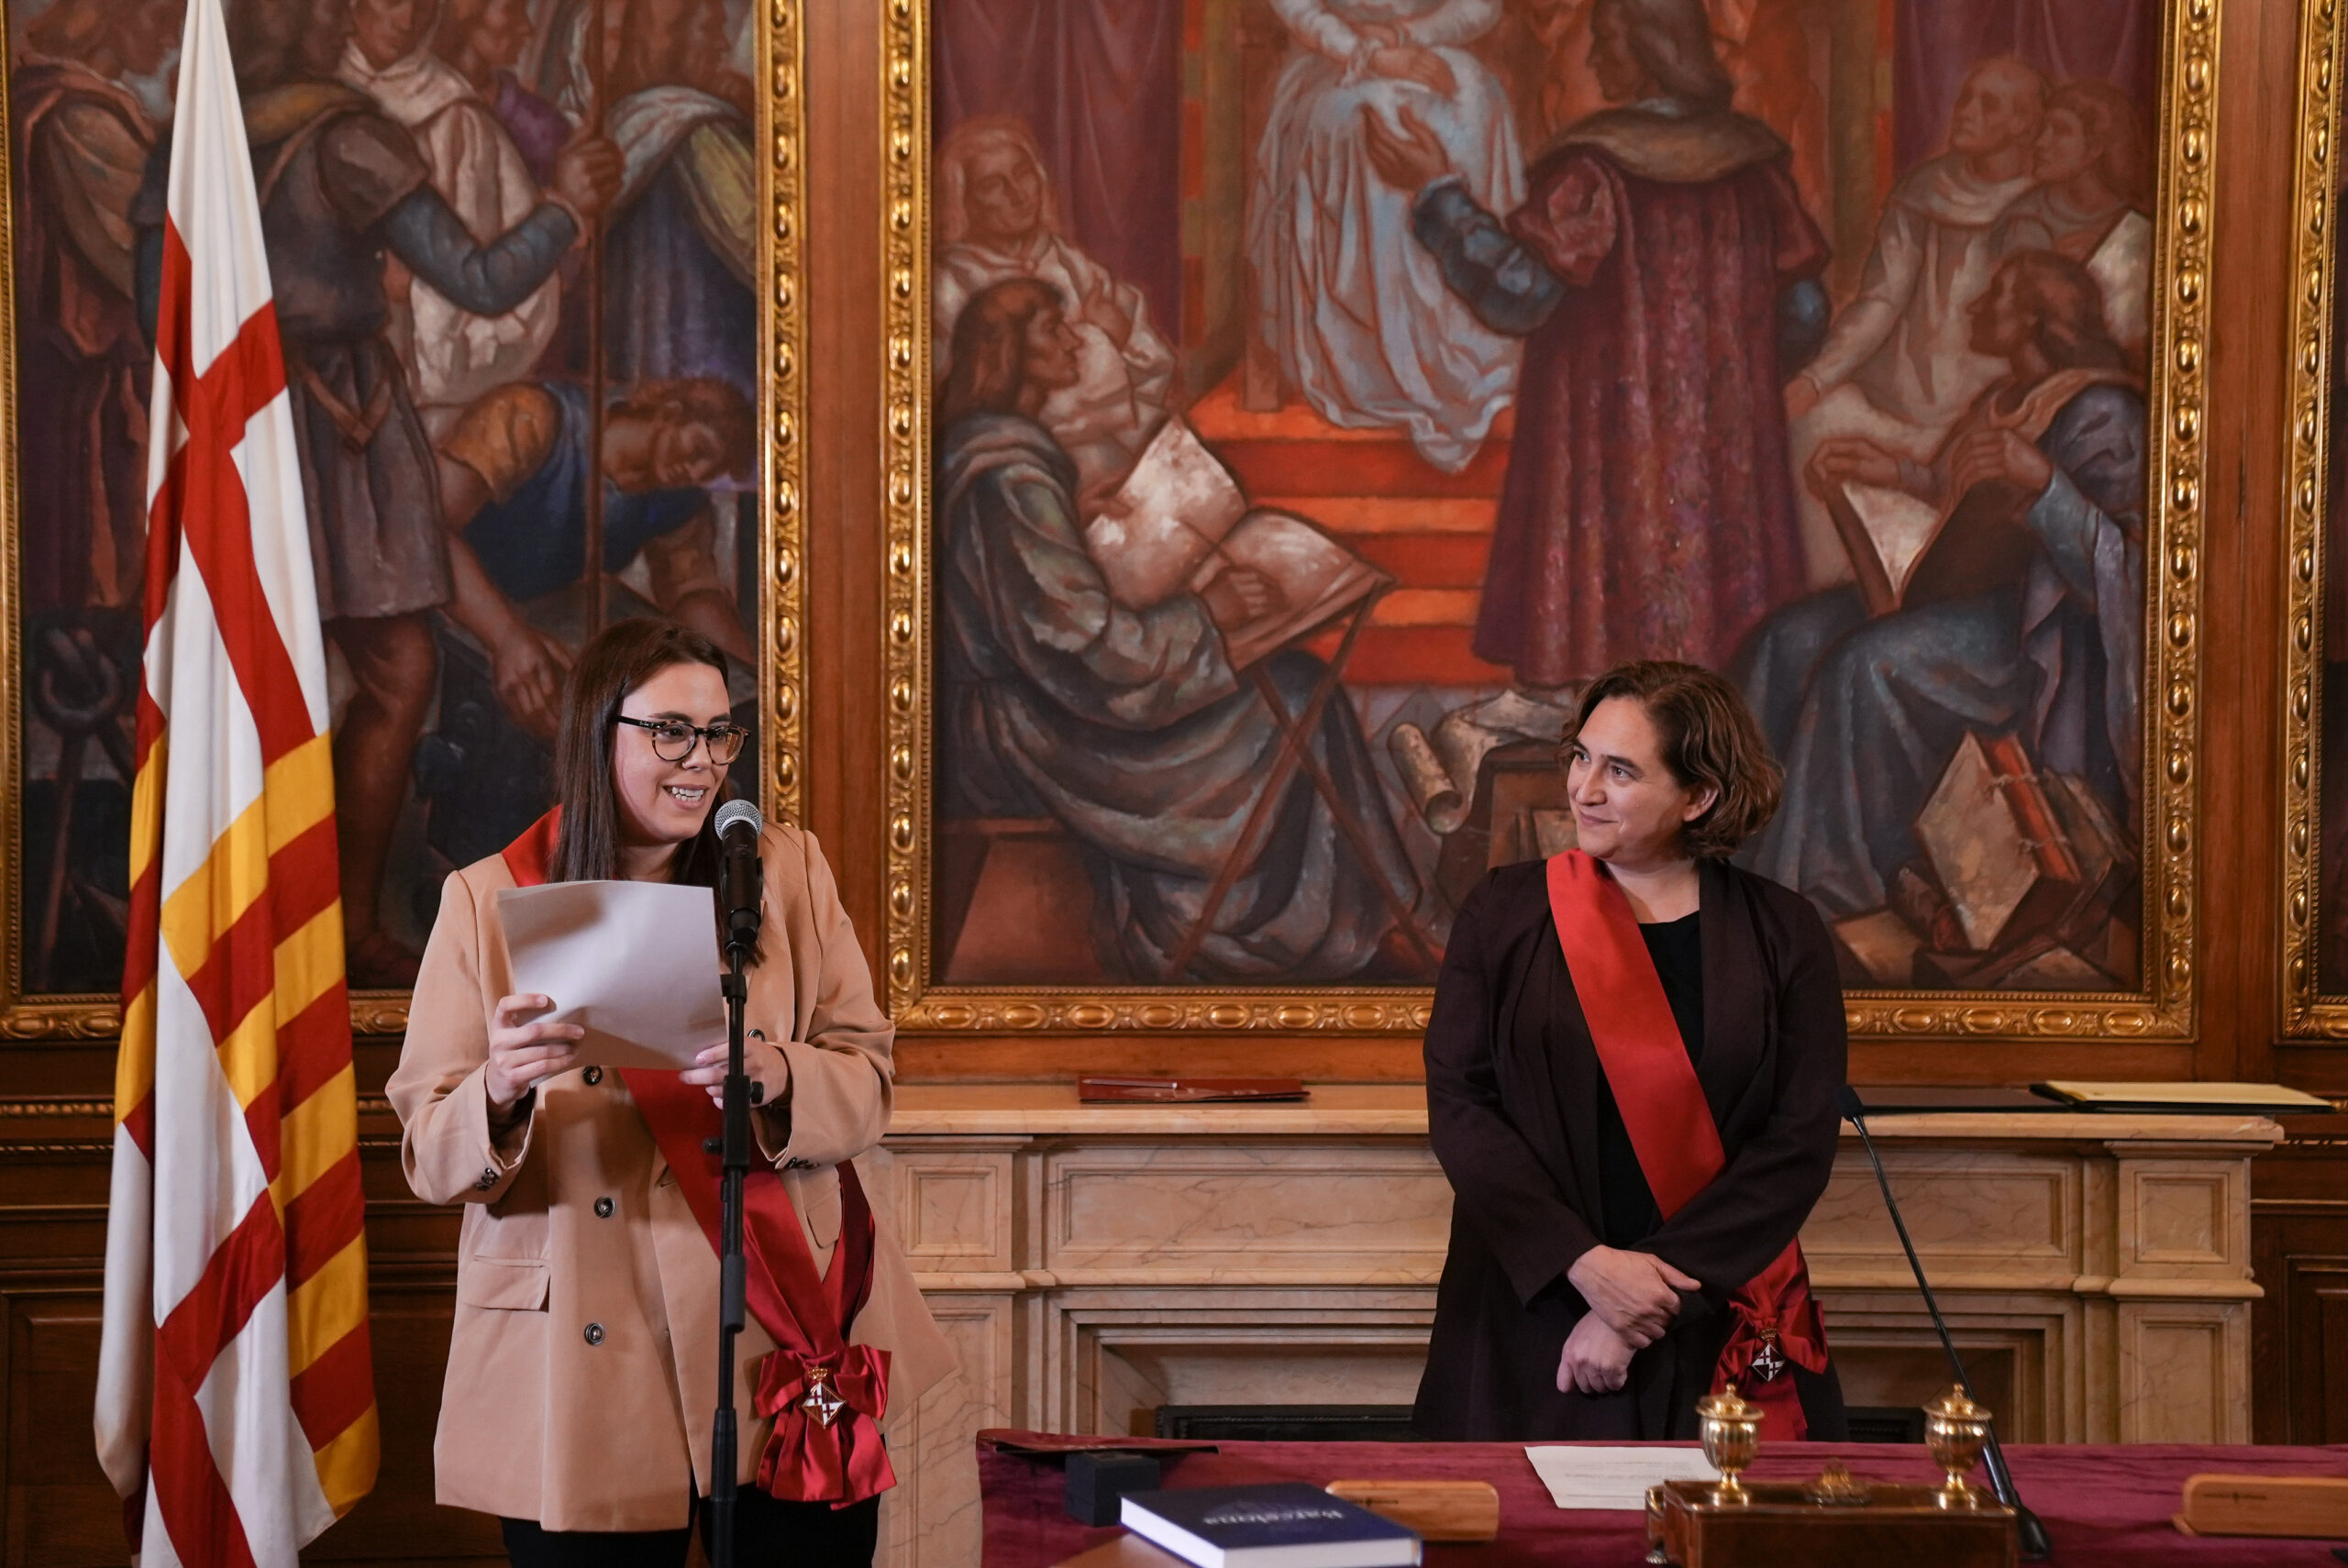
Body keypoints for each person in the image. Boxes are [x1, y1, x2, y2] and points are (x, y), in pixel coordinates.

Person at [389, 617, 955, 1565]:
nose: (702, 760)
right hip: (580, 1352)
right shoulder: (485, 897)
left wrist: (778, 1075)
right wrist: (499, 1088)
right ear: (596, 733)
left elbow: (869, 1076)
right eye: (671, 732)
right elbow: (428, 1152)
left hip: (777, 1330)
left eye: (719, 732)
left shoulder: (787, 872)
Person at [133, 0, 622, 986]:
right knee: (395, 669)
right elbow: (481, 279)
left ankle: (261, 946)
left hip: (233, 426)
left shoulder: (195, 144)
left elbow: (157, 303)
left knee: (261, 676)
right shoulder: (344, 137)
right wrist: (566, 206)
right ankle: (338, 933)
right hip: (337, 425)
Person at [937, 278, 1423, 982]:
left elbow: (1042, 604)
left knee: (1292, 685)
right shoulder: (1008, 481)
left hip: (1041, 704)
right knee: (1294, 697)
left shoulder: (992, 459)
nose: (1074, 340)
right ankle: (1269, 933)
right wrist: (1209, 611)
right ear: (1008, 351)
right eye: (1051, 330)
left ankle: (1341, 921)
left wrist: (1083, 529)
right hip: (1040, 728)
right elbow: (1083, 648)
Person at [1416, 661, 1848, 1441]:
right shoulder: (1503, 913)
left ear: (1698, 796)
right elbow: (1460, 1106)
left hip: (1707, 1313)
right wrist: (1586, 1266)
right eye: (1581, 757)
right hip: (1529, 1308)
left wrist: (1641, 1306)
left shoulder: (1784, 933)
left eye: (1619, 771)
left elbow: (1797, 1143)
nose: (1583, 790)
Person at [1365, 0, 1830, 682]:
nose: (1595, 56)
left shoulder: (1596, 173)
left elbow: (1519, 293)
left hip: (1611, 448)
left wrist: (1437, 191)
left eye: (1608, 40)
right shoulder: (1756, 170)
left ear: (1648, 50)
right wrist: (1723, 379)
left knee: (1612, 648)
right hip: (1722, 453)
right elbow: (1806, 313)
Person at [1738, 249, 2143, 919]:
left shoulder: (2104, 410)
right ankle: (1737, 855)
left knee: (1867, 663)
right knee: (1790, 637)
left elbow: (2129, 570)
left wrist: (2044, 483)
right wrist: (1894, 473)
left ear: (2036, 320)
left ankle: (1826, 896)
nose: (1978, 304)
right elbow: (1960, 496)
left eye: (1999, 295)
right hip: (1949, 592)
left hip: (2028, 630)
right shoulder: (2000, 400)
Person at [1783, 56, 2045, 583]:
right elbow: (1879, 303)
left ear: (2022, 123)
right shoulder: (1923, 190)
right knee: (1815, 425)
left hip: (1974, 420)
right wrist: (1814, 381)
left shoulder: (2040, 208)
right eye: (1966, 99)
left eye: (1987, 105)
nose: (1966, 112)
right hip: (1894, 404)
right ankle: (1839, 596)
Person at [1249, 0, 1524, 473]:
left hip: (1424, 44)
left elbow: (1481, 6)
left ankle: (1460, 338)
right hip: (1332, 64)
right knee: (1375, 115)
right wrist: (1366, 53)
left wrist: (1405, 36)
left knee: (1477, 97)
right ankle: (1376, 354)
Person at [434, 375, 759, 735]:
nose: (695, 473)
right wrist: (506, 636)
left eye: (711, 471)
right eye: (698, 450)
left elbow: (694, 592)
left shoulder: (678, 498)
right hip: (462, 616)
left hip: (550, 631)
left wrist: (747, 688)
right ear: (670, 412)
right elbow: (430, 532)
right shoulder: (530, 416)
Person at [336, 0, 564, 426]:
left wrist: (418, 291)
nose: (407, 21)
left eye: (422, 5)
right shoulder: (311, 97)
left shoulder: (459, 119)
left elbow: (511, 292)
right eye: (391, 1)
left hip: (422, 401)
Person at [933, 116, 1178, 502]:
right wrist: (1103, 342)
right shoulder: (948, 289)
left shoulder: (1078, 268)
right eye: (993, 185)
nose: (1017, 194)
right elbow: (977, 412)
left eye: (1023, 174)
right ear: (964, 202)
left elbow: (1156, 373)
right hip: (1020, 483)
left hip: (1117, 471)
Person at [1990, 78, 2153, 358]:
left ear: (2096, 147)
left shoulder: (2138, 227)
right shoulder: (2023, 220)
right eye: (2043, 129)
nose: (2041, 143)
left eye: (2060, 131)